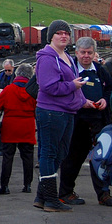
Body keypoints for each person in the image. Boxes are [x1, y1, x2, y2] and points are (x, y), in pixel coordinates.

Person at [34, 20, 87, 212]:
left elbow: (75, 83)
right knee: (49, 153)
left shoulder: (66, 56)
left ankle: (41, 197)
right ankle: (50, 199)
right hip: (51, 111)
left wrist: (84, 101)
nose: (63, 36)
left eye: (66, 33)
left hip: (67, 111)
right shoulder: (47, 58)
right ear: (51, 37)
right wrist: (73, 86)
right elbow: (48, 86)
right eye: (59, 33)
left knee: (61, 152)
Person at [58, 37, 112, 206]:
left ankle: (103, 193)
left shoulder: (100, 70)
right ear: (77, 52)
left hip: (98, 120)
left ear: (94, 53)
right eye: (83, 53)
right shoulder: (70, 70)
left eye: (90, 53)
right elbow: (63, 91)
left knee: (102, 156)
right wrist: (82, 102)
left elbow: (109, 87)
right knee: (73, 157)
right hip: (77, 120)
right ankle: (66, 192)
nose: (86, 56)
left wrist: (104, 100)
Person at [0, 63, 37, 195]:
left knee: (7, 156)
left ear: (17, 74)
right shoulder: (33, 91)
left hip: (10, 125)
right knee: (28, 156)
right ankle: (28, 185)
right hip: (27, 125)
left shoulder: (8, 89)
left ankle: (4, 186)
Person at [0, 59, 15, 155]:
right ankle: (1, 149)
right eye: (5, 70)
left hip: (13, 105)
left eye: (9, 70)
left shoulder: (16, 77)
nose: (7, 72)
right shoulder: (1, 76)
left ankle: (13, 146)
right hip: (3, 105)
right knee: (1, 126)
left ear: (13, 68)